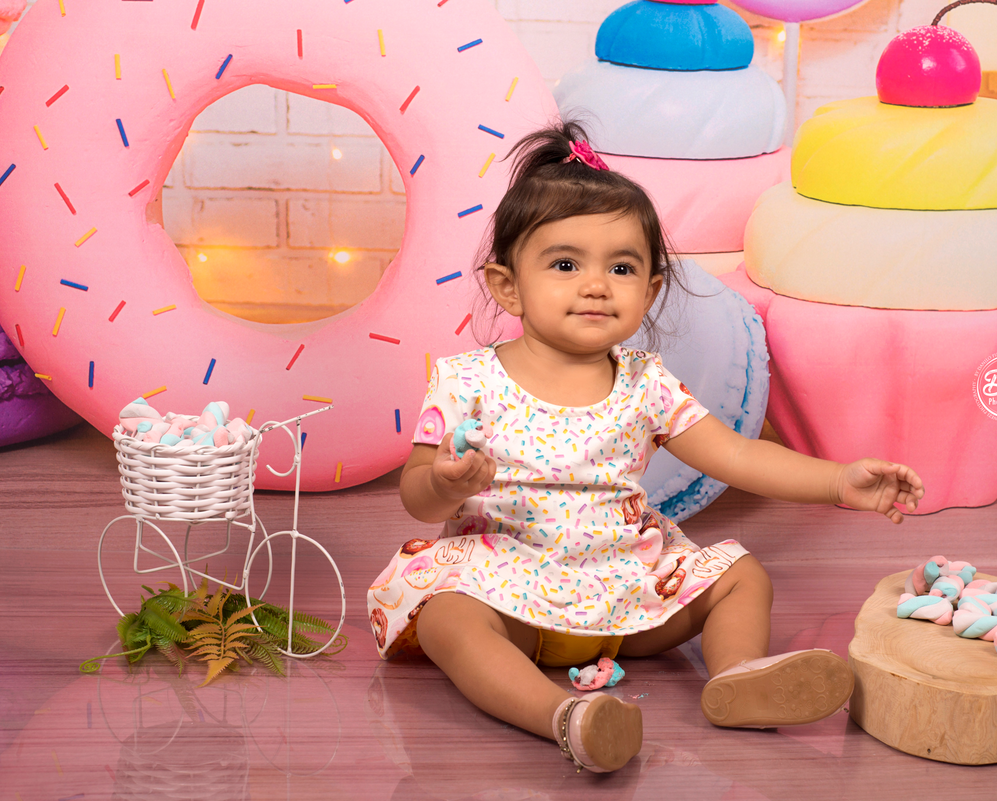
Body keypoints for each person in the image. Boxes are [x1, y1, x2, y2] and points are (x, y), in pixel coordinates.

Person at [367, 122, 924, 774]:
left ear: (650, 290)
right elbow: (414, 489)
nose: (597, 283)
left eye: (622, 266)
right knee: (447, 616)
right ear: (508, 286)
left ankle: (740, 679)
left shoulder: (646, 382)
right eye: (566, 264)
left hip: (629, 590)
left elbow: (738, 456)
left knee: (742, 575)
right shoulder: (466, 379)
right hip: (505, 588)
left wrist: (838, 480)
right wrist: (447, 483)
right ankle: (564, 715)